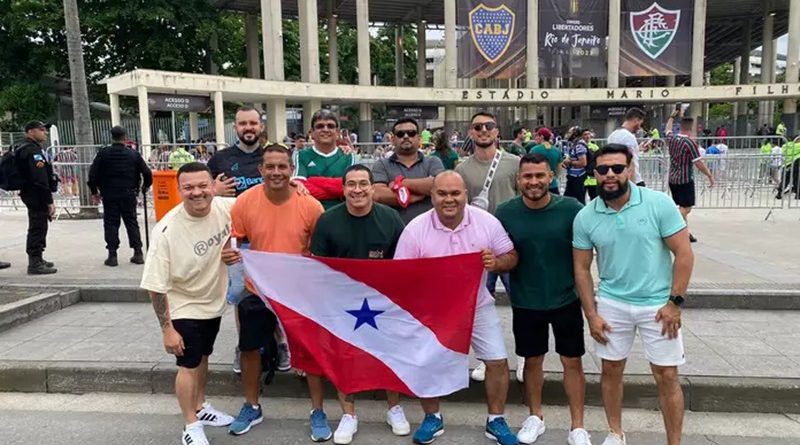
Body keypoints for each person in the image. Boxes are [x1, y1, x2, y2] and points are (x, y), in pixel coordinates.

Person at [572, 144, 694, 445]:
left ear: (630, 170)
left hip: (658, 306)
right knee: (611, 370)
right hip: (613, 303)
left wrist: (674, 303)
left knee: (667, 375)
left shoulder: (658, 204)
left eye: (617, 168)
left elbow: (684, 253)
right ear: (594, 174)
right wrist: (592, 314)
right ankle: (616, 432)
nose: (610, 175)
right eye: (602, 170)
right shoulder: (586, 216)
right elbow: (582, 270)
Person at [395, 170, 519, 445]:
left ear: (466, 195)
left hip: (477, 306)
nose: (449, 200)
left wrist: (496, 264)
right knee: (426, 361)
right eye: (442, 194)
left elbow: (511, 255)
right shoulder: (415, 228)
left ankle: (495, 420)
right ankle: (432, 417)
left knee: (497, 361)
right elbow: (400, 274)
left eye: (455, 193)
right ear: (432, 196)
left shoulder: (486, 222)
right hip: (434, 310)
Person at [221, 144, 326, 438]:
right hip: (260, 288)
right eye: (271, 167)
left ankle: (317, 411)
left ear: (292, 170)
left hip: (299, 291)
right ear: (260, 170)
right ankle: (252, 406)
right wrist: (228, 253)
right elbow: (234, 239)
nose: (276, 172)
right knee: (249, 347)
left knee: (310, 351)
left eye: (282, 166)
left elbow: (320, 250)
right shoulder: (244, 202)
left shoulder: (310, 205)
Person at [310, 164, 410, 444]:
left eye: (363, 183)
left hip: (382, 300)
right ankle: (348, 413)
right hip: (341, 302)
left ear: (372, 187)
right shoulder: (328, 221)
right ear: (343, 190)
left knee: (389, 353)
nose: (357, 190)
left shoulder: (390, 218)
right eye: (351, 184)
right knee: (345, 356)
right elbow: (319, 266)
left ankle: (394, 407)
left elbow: (403, 264)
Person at [495, 154, 590, 445]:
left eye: (539, 175)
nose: (534, 182)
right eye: (527, 176)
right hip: (526, 300)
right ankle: (535, 417)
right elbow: (499, 253)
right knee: (532, 361)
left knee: (572, 361)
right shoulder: (505, 212)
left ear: (551, 176)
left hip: (565, 298)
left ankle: (577, 426)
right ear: (518, 180)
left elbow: (586, 256)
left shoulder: (572, 209)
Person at [140, 162, 235, 445]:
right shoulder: (166, 231)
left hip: (212, 301)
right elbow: (155, 288)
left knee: (204, 356)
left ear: (213, 186)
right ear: (179, 190)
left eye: (203, 186)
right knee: (189, 364)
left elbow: (261, 199)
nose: (197, 193)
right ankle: (190, 425)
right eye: (189, 188)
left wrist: (298, 186)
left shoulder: (225, 207)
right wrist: (167, 329)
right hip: (182, 304)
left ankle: (200, 406)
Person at [456, 111, 522, 383]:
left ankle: (524, 355)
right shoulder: (461, 169)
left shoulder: (515, 163)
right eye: (477, 127)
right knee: (479, 305)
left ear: (497, 131)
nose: (483, 130)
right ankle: (485, 357)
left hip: (509, 244)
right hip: (477, 248)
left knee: (520, 302)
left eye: (488, 126)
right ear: (471, 132)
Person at [88, 125, 153, 267]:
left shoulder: (103, 154)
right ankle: (138, 252)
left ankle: (112, 255)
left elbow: (92, 175)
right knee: (131, 222)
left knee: (111, 223)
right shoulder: (133, 154)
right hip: (128, 193)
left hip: (109, 194)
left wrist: (94, 192)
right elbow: (147, 173)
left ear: (112, 137)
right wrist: (145, 186)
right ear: (125, 137)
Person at [371, 117, 444, 224]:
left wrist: (401, 183)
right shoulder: (381, 164)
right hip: (393, 231)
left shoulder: (433, 161)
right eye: (400, 134)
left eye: (411, 133)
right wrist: (412, 197)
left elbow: (440, 186)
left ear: (419, 138)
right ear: (393, 139)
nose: (406, 136)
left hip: (429, 230)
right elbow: (378, 194)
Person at [664, 113, 715, 243]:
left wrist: (671, 117)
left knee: (682, 206)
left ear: (680, 127)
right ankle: (676, 229)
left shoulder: (672, 139)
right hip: (685, 179)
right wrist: (709, 175)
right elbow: (698, 163)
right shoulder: (689, 143)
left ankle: (686, 233)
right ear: (691, 128)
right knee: (686, 208)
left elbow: (667, 130)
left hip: (672, 178)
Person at [293, 109, 357, 209]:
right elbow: (298, 188)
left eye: (330, 126)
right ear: (312, 132)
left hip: (343, 215)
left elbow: (353, 188)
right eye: (320, 126)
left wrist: (312, 181)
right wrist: (338, 188)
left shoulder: (349, 156)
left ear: (337, 132)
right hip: (310, 214)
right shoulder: (300, 155)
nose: (325, 129)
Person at [17, 121, 57, 275]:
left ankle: (38, 257)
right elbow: (39, 179)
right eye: (41, 130)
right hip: (36, 194)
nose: (45, 133)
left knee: (40, 225)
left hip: (32, 193)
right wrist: (49, 201)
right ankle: (34, 262)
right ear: (30, 132)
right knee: (37, 227)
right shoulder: (32, 151)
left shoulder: (30, 149)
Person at [607, 107, 647, 186]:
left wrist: (638, 149)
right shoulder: (628, 136)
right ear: (636, 120)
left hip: (620, 178)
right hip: (633, 180)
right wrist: (632, 184)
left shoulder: (612, 135)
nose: (640, 127)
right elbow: (629, 161)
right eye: (640, 124)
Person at [527, 128, 562, 195]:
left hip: (538, 184)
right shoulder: (557, 150)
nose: (535, 138)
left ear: (542, 137)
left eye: (537, 136)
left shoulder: (534, 150)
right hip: (553, 184)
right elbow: (559, 169)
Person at [563, 127, 589, 205]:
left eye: (570, 132)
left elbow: (583, 162)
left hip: (578, 177)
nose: (568, 134)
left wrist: (569, 162)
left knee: (579, 200)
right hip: (572, 176)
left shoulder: (579, 145)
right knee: (567, 199)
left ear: (575, 134)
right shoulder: (574, 143)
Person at [583, 134, 600, 201]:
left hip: (593, 180)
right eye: (585, 134)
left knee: (595, 200)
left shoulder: (594, 147)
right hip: (582, 178)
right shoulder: (578, 146)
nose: (587, 136)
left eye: (588, 134)